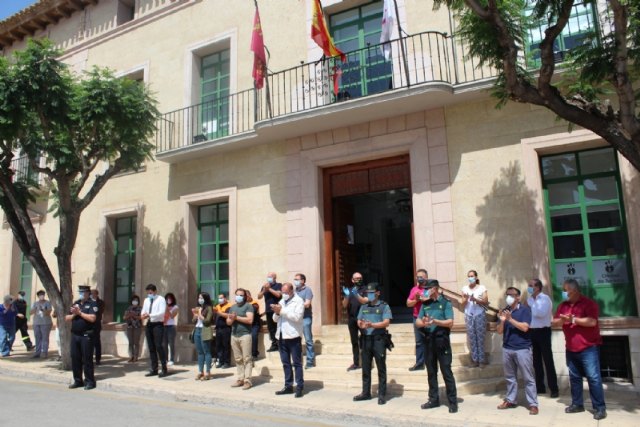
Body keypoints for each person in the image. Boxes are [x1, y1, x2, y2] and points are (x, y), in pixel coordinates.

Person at [553, 278, 606, 420]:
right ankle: (577, 404)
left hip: (588, 348)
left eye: (565, 290)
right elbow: (554, 322)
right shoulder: (563, 305)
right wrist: (562, 320)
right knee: (574, 378)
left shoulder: (588, 304)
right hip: (571, 348)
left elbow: (592, 321)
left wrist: (573, 320)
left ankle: (599, 408)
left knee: (593, 378)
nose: (563, 293)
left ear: (574, 290)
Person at [417, 279, 458, 413]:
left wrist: (435, 321)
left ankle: (452, 402)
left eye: (427, 289)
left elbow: (450, 322)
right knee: (431, 372)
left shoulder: (445, 303)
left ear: (434, 288)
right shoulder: (426, 304)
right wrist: (423, 322)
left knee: (446, 371)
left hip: (442, 340)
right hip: (428, 341)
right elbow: (417, 322)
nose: (425, 291)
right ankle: (433, 399)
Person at [496, 287, 538, 415]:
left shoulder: (525, 310)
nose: (508, 297)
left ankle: (533, 404)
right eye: (507, 295)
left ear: (518, 297)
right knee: (510, 377)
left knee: (528, 377)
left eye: (512, 295)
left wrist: (510, 319)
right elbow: (499, 331)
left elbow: (525, 328)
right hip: (507, 348)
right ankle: (511, 400)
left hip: (522, 349)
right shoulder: (505, 311)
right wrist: (503, 321)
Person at [353, 283, 392, 405]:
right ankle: (366, 393)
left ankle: (381, 394)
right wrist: (361, 324)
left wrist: (372, 325)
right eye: (367, 293)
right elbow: (359, 320)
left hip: (379, 339)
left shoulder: (384, 306)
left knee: (381, 367)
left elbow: (386, 323)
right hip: (365, 339)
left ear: (377, 293)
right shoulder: (364, 306)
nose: (369, 295)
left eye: (371, 292)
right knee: (365, 367)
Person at [526, 279, 559, 398]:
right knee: (536, 361)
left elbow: (539, 313)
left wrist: (531, 304)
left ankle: (554, 388)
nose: (529, 288)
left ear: (538, 287)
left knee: (548, 360)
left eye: (531, 285)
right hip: (532, 331)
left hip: (543, 331)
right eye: (529, 286)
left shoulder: (544, 299)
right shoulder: (529, 300)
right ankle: (540, 387)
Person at [272, 282, 305, 398]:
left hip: (293, 336)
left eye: (286, 292)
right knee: (285, 363)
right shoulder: (281, 301)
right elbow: (275, 319)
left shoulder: (299, 301)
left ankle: (300, 386)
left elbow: (297, 317)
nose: (284, 294)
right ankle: (288, 386)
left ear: (291, 291)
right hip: (281, 336)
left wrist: (281, 311)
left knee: (297, 363)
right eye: (282, 292)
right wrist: (276, 312)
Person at [65, 285, 97, 390]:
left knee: (87, 359)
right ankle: (78, 380)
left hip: (86, 335)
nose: (81, 294)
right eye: (80, 292)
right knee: (75, 358)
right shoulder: (76, 304)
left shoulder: (92, 304)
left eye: (83, 292)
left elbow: (92, 318)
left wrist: (80, 313)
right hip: (75, 335)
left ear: (88, 293)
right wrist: (75, 314)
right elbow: (67, 318)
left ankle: (90, 381)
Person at [227, 288, 255, 390]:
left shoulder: (248, 306)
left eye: (241, 295)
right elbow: (228, 322)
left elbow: (250, 320)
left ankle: (248, 380)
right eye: (237, 295)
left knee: (247, 358)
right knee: (238, 359)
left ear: (245, 296)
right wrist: (230, 319)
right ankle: (240, 378)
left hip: (245, 335)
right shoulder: (232, 307)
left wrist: (236, 318)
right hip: (234, 335)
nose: (239, 297)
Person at [460, 269, 488, 367]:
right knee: (472, 338)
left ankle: (482, 361)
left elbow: (485, 301)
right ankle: (475, 360)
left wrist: (475, 299)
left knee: (480, 338)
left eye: (472, 276)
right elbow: (462, 303)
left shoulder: (482, 288)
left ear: (476, 277)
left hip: (479, 314)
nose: (470, 278)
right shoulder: (464, 288)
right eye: (469, 276)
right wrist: (466, 298)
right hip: (469, 315)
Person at [140, 283, 168, 378]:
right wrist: (143, 315)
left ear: (155, 291)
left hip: (158, 325)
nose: (149, 294)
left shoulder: (161, 299)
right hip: (149, 324)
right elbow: (144, 310)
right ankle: (154, 368)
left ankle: (164, 368)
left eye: (151, 292)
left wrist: (150, 315)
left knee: (159, 346)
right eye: (148, 292)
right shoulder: (146, 300)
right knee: (151, 347)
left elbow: (162, 313)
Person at [342, 272, 367, 371]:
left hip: (363, 318)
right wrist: (347, 296)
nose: (359, 280)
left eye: (360, 278)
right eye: (356, 278)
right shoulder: (349, 290)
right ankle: (356, 363)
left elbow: (364, 301)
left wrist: (356, 294)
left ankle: (366, 361)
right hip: (352, 319)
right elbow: (344, 305)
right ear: (352, 280)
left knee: (365, 341)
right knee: (354, 341)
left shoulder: (366, 289)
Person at [406, 269, 429, 370]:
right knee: (419, 341)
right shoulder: (414, 289)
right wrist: (416, 299)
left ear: (426, 278)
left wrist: (424, 297)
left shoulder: (430, 289)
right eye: (417, 277)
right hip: (417, 318)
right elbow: (408, 303)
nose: (419, 278)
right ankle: (420, 363)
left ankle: (431, 362)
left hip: (428, 318)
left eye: (421, 277)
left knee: (430, 341)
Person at [257, 272, 282, 352]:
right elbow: (259, 296)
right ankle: (274, 344)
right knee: (271, 328)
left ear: (275, 278)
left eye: (270, 277)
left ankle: (280, 344)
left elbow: (278, 295)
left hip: (277, 310)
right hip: (268, 310)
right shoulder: (264, 286)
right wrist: (264, 290)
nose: (269, 278)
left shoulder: (279, 285)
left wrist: (269, 289)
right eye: (268, 277)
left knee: (278, 327)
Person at [294, 273, 315, 369]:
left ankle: (310, 361)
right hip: (296, 318)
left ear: (303, 280)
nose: (295, 281)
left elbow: (307, 304)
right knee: (296, 341)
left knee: (308, 340)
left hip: (305, 318)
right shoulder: (294, 291)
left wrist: (296, 305)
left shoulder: (308, 290)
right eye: (295, 279)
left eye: (297, 279)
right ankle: (297, 361)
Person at [192, 292, 214, 381]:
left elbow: (207, 321)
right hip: (197, 330)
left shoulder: (209, 308)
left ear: (205, 299)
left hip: (205, 330)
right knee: (200, 352)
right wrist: (195, 315)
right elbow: (193, 321)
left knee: (207, 352)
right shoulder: (198, 308)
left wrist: (200, 315)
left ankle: (208, 372)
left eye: (201, 298)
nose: (199, 299)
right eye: (199, 298)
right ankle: (201, 371)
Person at [30, 290, 53, 359]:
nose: (41, 296)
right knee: (37, 337)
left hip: (45, 323)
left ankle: (44, 352)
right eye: (40, 295)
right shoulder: (35, 303)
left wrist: (43, 310)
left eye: (42, 294)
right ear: (38, 296)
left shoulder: (47, 303)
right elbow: (30, 312)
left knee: (45, 338)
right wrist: (35, 309)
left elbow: (49, 312)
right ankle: (37, 352)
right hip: (36, 323)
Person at [214, 293, 232, 369]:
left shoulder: (229, 306)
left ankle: (227, 362)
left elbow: (228, 315)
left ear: (225, 298)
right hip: (218, 328)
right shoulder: (217, 306)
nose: (220, 300)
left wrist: (218, 312)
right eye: (219, 298)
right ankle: (220, 361)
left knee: (226, 345)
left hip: (226, 328)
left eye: (221, 298)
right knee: (219, 345)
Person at [123, 295, 142, 362]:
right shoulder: (128, 308)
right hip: (129, 327)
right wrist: (129, 315)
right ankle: (131, 356)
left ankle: (136, 357)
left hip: (137, 327)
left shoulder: (140, 308)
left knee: (136, 342)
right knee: (130, 342)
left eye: (136, 300)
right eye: (134, 300)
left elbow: (141, 317)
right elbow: (124, 317)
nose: (135, 301)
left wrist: (134, 315)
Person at [163, 292, 179, 366]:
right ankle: (165, 359)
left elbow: (172, 316)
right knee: (164, 344)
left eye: (170, 298)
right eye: (167, 298)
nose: (168, 300)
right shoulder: (163, 306)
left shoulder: (175, 307)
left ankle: (172, 359)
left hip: (171, 327)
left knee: (171, 343)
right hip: (163, 326)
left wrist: (167, 309)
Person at [90, 289, 105, 365]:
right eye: (91, 293)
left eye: (93, 293)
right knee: (89, 342)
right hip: (89, 324)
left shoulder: (100, 302)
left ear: (96, 294)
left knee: (96, 342)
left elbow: (99, 312)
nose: (91, 295)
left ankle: (98, 359)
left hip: (96, 324)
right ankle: (89, 358)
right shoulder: (88, 302)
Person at [246, 290, 261, 360]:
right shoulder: (244, 304)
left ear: (249, 296)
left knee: (254, 336)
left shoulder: (254, 303)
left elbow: (253, 311)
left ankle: (254, 354)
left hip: (255, 324)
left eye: (246, 296)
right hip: (247, 325)